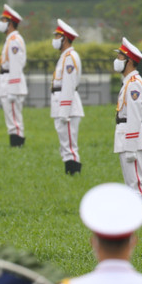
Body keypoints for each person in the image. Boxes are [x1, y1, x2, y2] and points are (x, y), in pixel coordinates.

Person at [114, 38, 142, 202]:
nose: (117, 61)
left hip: (131, 139)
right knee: (131, 184)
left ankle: (141, 216)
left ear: (129, 61)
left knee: (136, 185)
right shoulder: (129, 82)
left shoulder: (134, 84)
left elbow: (134, 116)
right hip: (125, 135)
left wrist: (131, 147)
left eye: (120, 57)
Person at [51, 19, 84, 173]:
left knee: (69, 142)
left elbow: (69, 85)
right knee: (65, 140)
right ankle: (70, 169)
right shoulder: (65, 56)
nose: (55, 40)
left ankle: (73, 170)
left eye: (57, 36)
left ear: (64, 38)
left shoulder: (70, 57)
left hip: (68, 106)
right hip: (61, 103)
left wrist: (64, 110)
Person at [0, 5, 27, 147]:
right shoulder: (11, 39)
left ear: (10, 23)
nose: (1, 23)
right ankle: (15, 143)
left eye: (3, 20)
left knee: (14, 117)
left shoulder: (14, 40)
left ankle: (17, 144)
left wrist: (13, 89)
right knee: (11, 116)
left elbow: (16, 65)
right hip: (7, 80)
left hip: (12, 82)